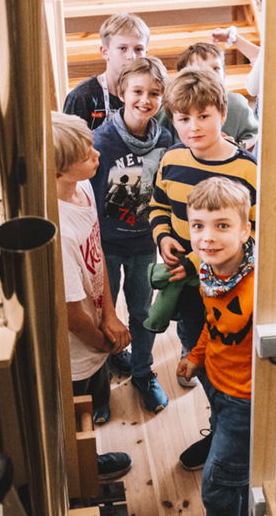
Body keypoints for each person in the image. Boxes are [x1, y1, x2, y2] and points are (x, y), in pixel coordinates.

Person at [146, 71, 258, 471]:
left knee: (228, 356)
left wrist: (195, 260)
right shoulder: (172, 159)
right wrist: (163, 238)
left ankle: (235, 434)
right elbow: (158, 206)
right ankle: (220, 428)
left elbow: (252, 232)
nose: (193, 127)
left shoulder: (247, 170)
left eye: (203, 116)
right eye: (183, 118)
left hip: (228, 288)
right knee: (198, 353)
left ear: (222, 115)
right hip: (185, 287)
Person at [90, 56, 179, 413]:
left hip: (144, 243)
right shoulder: (101, 140)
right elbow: (90, 195)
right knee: (103, 314)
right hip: (107, 246)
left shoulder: (166, 139)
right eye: (137, 91)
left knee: (142, 311)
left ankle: (142, 371)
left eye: (154, 93)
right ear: (122, 93)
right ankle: (99, 384)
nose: (145, 100)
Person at [51, 111, 135, 480]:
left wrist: (110, 315)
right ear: (58, 172)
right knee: (73, 421)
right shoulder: (59, 231)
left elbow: (97, 253)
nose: (97, 155)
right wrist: (101, 341)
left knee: (97, 394)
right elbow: (71, 313)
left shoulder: (83, 189)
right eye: (86, 155)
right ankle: (84, 470)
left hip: (98, 331)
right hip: (78, 349)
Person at [175, 177, 257, 516]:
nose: (207, 237)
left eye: (222, 225)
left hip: (245, 399)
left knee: (217, 486)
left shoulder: (258, 286)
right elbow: (215, 323)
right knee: (231, 469)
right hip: (216, 381)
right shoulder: (209, 271)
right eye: (198, 225)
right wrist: (196, 356)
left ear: (244, 230)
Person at [63, 13, 150, 129]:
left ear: (146, 54)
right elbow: (68, 140)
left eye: (138, 49)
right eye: (123, 48)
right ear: (105, 52)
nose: (131, 56)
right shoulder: (82, 97)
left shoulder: (153, 97)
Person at [169, 44, 260, 151]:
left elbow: (254, 136)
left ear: (224, 74)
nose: (210, 75)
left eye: (215, 68)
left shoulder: (237, 104)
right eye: (199, 70)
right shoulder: (172, 105)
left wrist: (237, 146)